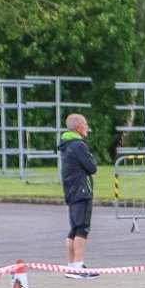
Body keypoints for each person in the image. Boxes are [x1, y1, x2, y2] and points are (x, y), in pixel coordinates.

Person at [58, 113, 100, 279]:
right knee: (82, 227)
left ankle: (72, 265)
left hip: (72, 190)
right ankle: (78, 266)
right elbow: (92, 166)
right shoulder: (78, 145)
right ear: (78, 127)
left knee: (74, 228)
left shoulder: (67, 144)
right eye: (85, 124)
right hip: (81, 191)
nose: (87, 127)